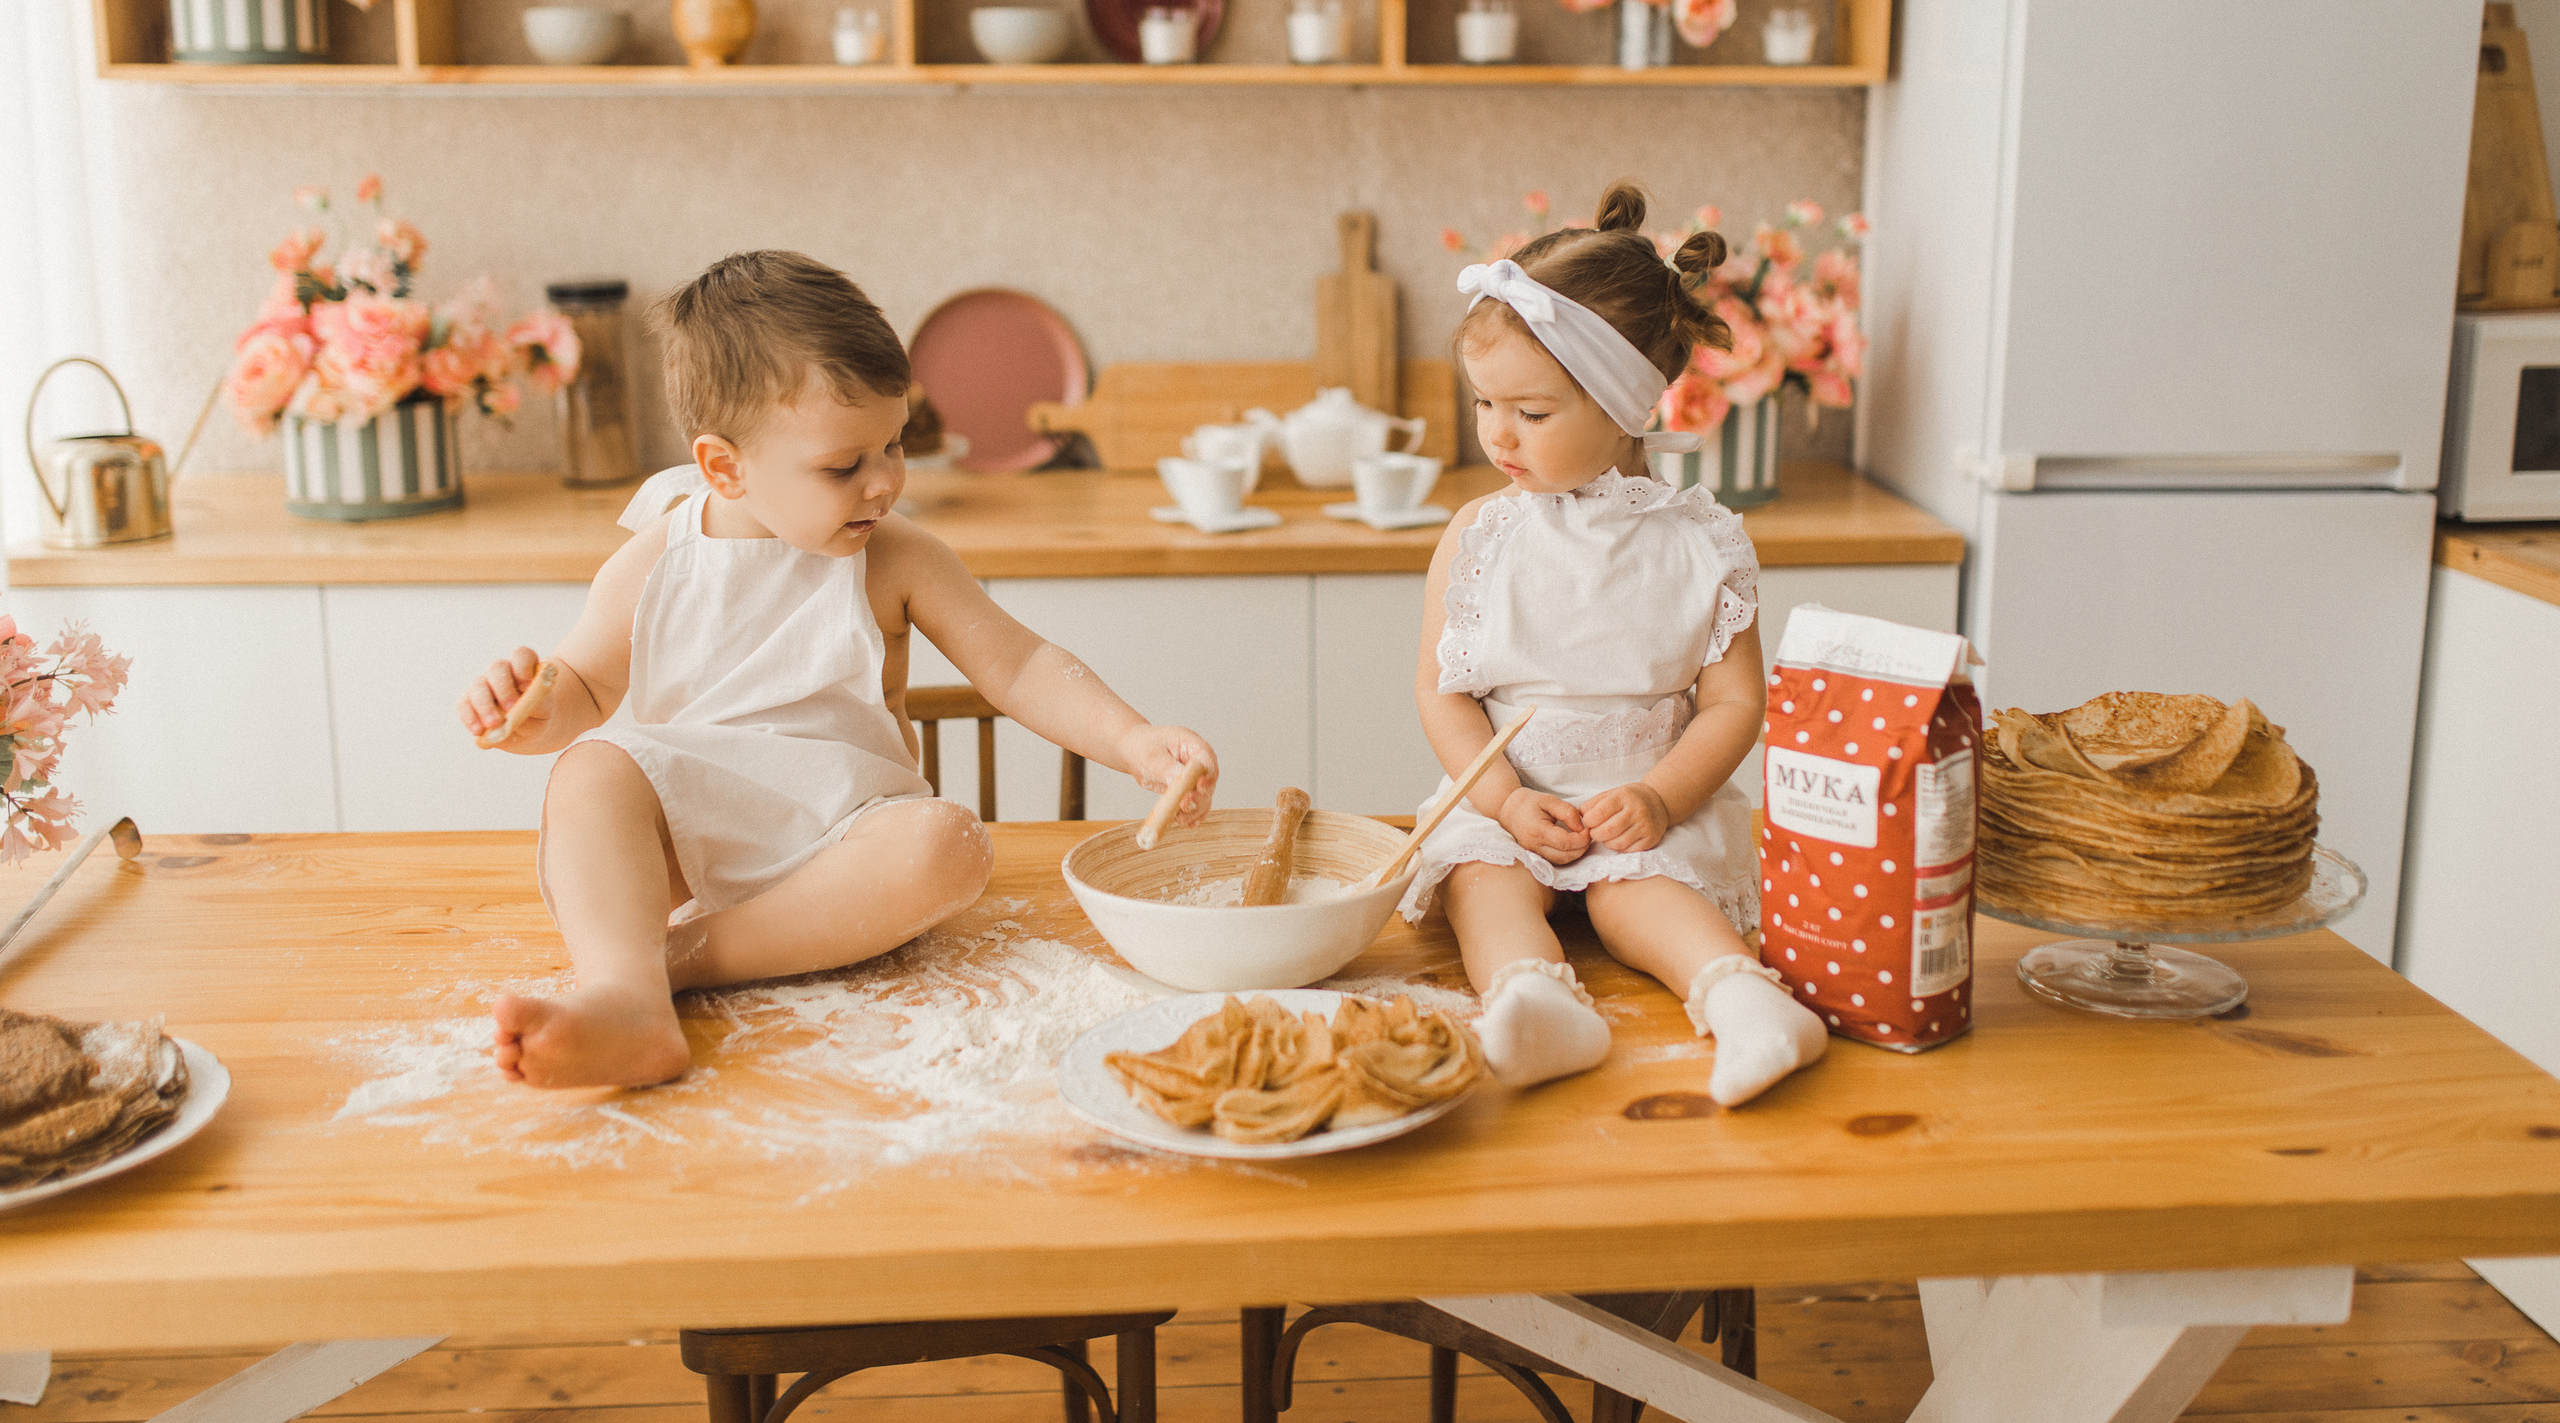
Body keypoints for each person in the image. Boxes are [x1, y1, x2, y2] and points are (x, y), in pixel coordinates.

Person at [461, 250, 1219, 1090]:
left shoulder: (895, 558)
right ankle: (626, 999)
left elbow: (1021, 663)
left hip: (850, 847)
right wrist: (535, 711)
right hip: (692, 840)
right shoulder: (657, 560)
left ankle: (662, 970)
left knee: (950, 841)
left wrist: (1134, 738)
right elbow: (583, 687)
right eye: (843, 465)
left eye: (892, 444)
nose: (886, 482)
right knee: (589, 772)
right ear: (725, 467)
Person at [1408, 182, 1826, 1106]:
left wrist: (1658, 794)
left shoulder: (1700, 541)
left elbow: (1734, 703)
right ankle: (1533, 998)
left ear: (1622, 406)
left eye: (1534, 412)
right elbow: (1444, 693)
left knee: (1636, 897)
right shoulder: (1481, 535)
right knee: (1484, 879)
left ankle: (1747, 1002)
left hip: (1643, 805)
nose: (1498, 433)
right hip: (1508, 801)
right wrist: (1507, 802)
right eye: (1486, 404)